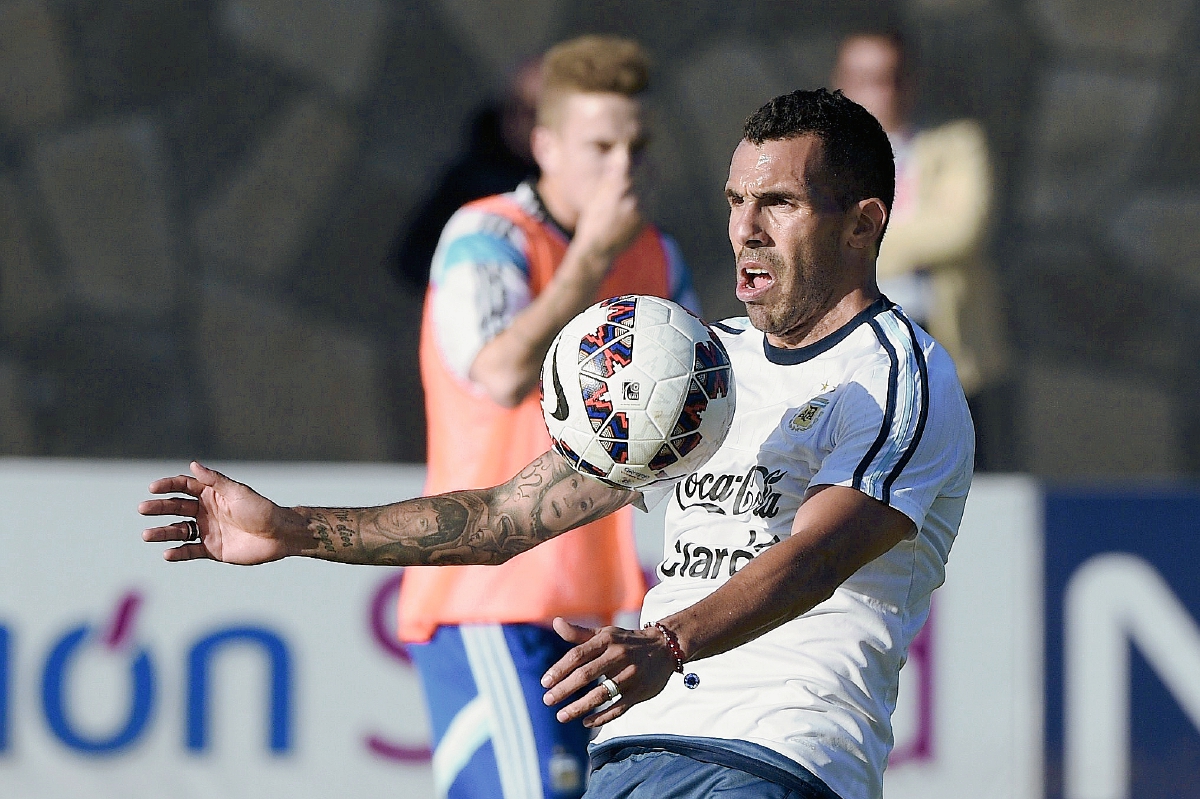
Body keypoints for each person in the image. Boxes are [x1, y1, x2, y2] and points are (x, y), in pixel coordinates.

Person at [140, 88, 974, 799]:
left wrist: (668, 639)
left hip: (776, 756)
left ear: (864, 224)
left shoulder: (899, 375)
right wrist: (292, 529)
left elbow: (816, 559)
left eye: (780, 203)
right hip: (635, 749)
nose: (745, 229)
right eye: (733, 202)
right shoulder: (698, 369)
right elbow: (506, 517)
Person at [407, 35, 700, 799]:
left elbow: (698, 419)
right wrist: (588, 262)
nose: (622, 166)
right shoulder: (486, 235)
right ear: (544, 145)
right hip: (488, 597)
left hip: (603, 608)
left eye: (636, 145)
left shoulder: (659, 257)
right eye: (600, 145)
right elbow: (500, 374)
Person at [832, 30, 1008, 468]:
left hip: (946, 343)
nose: (881, 91)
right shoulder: (824, 161)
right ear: (841, 84)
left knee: (963, 485)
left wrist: (854, 240)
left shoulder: (955, 144)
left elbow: (960, 229)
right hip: (851, 350)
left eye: (891, 77)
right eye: (866, 77)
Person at [387, 58, 543, 292]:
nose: (521, 123)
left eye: (534, 113)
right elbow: (414, 256)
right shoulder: (469, 179)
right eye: (514, 108)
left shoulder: (566, 186)